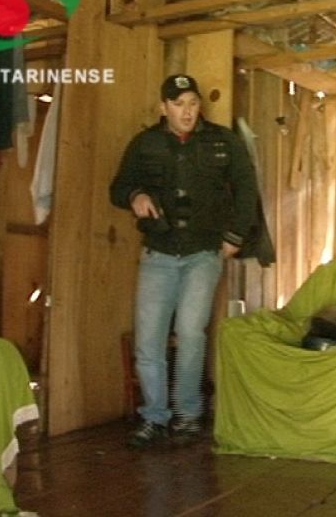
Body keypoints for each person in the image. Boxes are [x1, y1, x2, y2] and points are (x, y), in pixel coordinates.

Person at [110, 74, 259, 448]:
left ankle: (188, 415)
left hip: (203, 253)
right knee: (149, 339)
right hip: (157, 252)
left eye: (192, 103)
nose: (187, 112)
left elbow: (247, 189)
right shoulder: (145, 143)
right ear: (163, 108)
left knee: (191, 334)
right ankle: (154, 418)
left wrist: (234, 238)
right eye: (178, 104)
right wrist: (136, 195)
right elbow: (118, 187)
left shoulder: (223, 141)